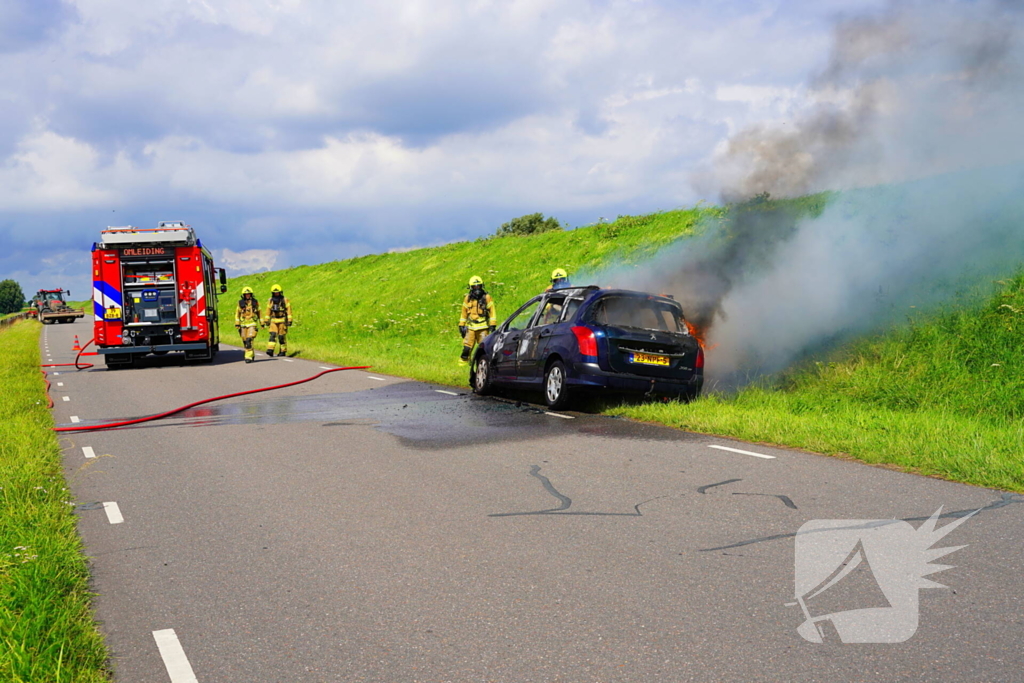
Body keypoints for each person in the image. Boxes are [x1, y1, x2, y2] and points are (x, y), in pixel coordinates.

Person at [458, 275, 497, 363]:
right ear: (470, 287)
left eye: (478, 286)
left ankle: (483, 363)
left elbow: (492, 311)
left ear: (482, 286)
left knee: (484, 348)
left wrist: (493, 324)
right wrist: (461, 325)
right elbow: (464, 313)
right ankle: (463, 364)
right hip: (471, 327)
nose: (477, 289)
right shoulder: (468, 298)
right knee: (466, 349)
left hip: (483, 327)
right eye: (474, 287)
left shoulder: (487, 297)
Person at [263, 284, 293, 357]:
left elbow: (289, 310)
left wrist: (289, 320)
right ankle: (270, 350)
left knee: (281, 337)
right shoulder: (270, 301)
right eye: (275, 292)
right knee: (272, 335)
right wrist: (266, 320)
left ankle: (283, 351)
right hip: (273, 320)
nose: (276, 294)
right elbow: (268, 310)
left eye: (278, 292)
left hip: (282, 320)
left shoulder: (285, 300)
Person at [234, 286, 261, 363]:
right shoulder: (240, 303)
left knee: (249, 340)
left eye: (249, 294)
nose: (247, 295)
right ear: (243, 295)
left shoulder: (255, 302)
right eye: (246, 294)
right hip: (243, 324)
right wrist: (237, 323)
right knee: (245, 341)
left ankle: (248, 357)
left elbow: (260, 312)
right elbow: (237, 314)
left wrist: (262, 323)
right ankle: (251, 354)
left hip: (252, 323)